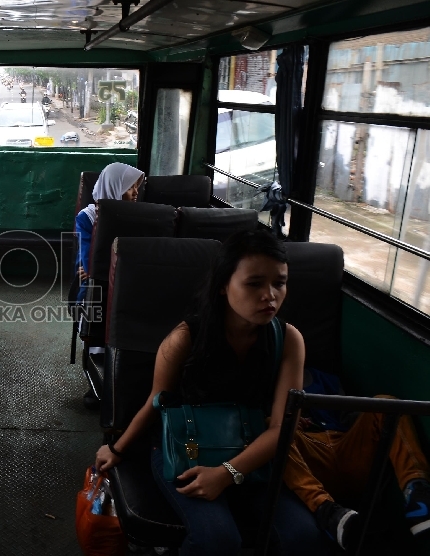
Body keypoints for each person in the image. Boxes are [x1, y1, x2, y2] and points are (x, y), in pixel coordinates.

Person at [94, 229, 330, 556]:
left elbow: (282, 428)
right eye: (254, 283)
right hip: (184, 446)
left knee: (304, 536)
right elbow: (156, 400)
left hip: (250, 450)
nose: (270, 295)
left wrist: (226, 474)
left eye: (280, 283)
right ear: (223, 285)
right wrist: (116, 449)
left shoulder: (288, 340)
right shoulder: (185, 338)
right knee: (218, 540)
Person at [283, 367, 430, 550]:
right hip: (308, 454)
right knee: (276, 432)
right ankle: (327, 511)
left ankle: (417, 492)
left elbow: (347, 416)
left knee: (387, 404)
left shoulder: (324, 379)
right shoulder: (266, 382)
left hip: (345, 443)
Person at [74, 163, 143, 410]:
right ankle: (96, 379)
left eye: (137, 186)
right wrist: (93, 269)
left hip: (128, 282)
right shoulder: (89, 216)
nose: (135, 192)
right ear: (115, 186)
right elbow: (87, 263)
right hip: (96, 287)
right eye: (129, 187)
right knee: (96, 300)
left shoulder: (139, 215)